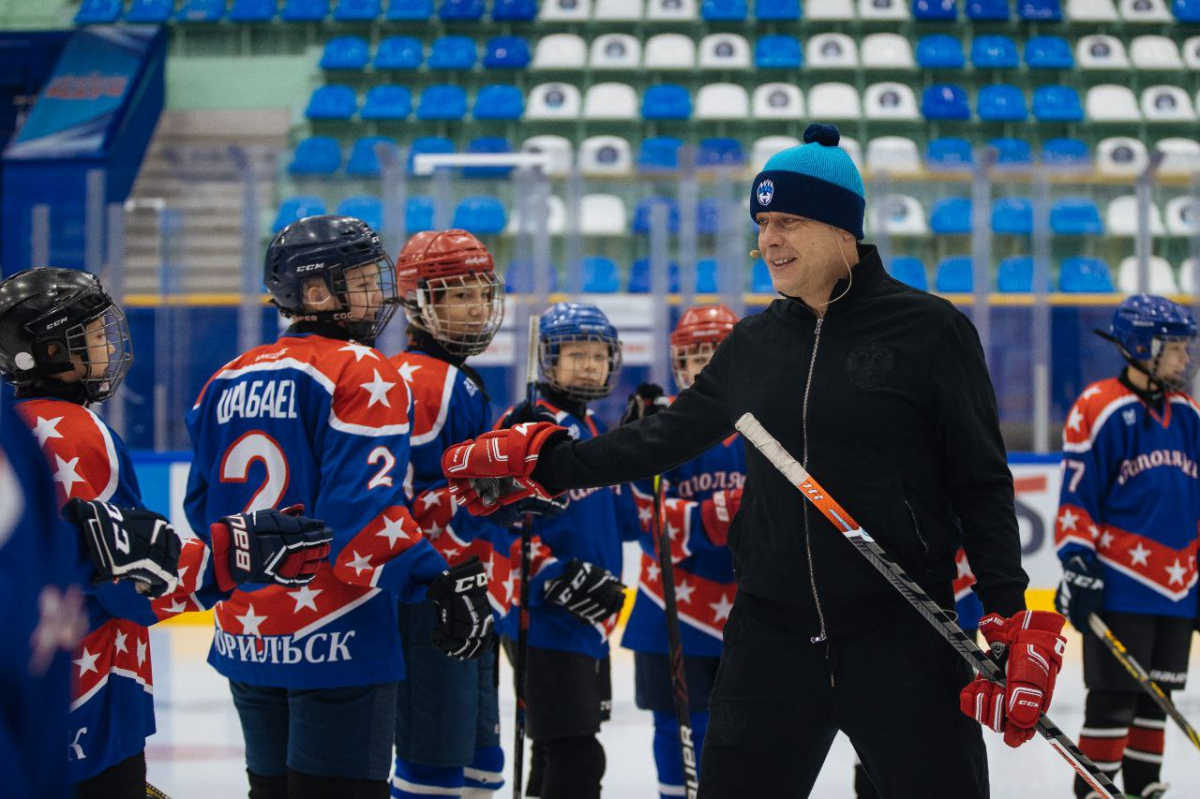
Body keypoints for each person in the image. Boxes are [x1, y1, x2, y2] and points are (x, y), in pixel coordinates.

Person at [441, 124, 1066, 797]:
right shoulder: (756, 344)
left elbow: (980, 480)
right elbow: (666, 437)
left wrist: (1008, 612)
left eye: (788, 220)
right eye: (763, 222)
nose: (769, 239)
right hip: (772, 637)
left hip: (903, 634)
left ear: (840, 224)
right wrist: (547, 463)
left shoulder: (930, 331)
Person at [185, 215, 492, 799]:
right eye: (362, 278)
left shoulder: (223, 379)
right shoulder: (361, 369)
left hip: (245, 634)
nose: (381, 293)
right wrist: (436, 582)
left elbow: (203, 511)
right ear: (319, 291)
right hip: (336, 633)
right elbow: (361, 520)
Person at [0, 267, 333, 798]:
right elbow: (129, 582)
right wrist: (240, 551)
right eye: (89, 334)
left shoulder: (15, 434)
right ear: (52, 351)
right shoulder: (78, 433)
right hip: (89, 713)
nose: (106, 343)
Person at [1054, 294, 1199, 799]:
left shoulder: (1188, 414)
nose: (1186, 359)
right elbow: (1077, 495)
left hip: (1179, 585)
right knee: (1114, 698)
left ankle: (1143, 786)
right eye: (1176, 348)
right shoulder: (1099, 407)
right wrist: (1077, 561)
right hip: (1121, 582)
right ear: (1142, 346)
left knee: (1156, 696)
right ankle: (1095, 788)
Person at [387, 229, 514, 799]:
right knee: (435, 764)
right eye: (460, 295)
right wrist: (497, 486)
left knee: (480, 764)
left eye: (483, 293)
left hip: (464, 590)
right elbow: (399, 500)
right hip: (431, 595)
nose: (479, 307)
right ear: (420, 302)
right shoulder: (429, 382)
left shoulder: (453, 379)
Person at [491, 302, 636, 799]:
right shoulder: (524, 424)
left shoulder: (594, 428)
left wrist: (646, 446)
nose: (591, 365)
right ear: (547, 359)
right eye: (577, 354)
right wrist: (549, 574)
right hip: (543, 618)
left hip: (588, 619)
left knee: (551, 747)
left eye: (599, 355)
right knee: (578, 754)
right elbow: (491, 519)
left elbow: (625, 521)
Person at [619, 305, 745, 799]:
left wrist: (712, 515)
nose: (705, 366)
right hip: (671, 610)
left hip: (753, 612)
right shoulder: (662, 425)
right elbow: (647, 521)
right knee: (677, 728)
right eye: (695, 357)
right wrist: (726, 511)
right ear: (679, 364)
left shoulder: (775, 425)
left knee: (751, 732)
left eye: (717, 355)